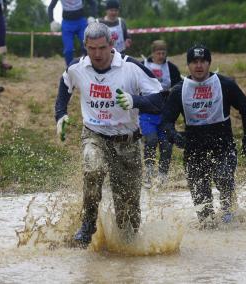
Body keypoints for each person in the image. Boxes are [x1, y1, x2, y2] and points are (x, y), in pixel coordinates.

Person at [54, 22, 164, 247]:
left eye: (102, 48)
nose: (97, 54)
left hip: (128, 142)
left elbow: (161, 100)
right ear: (85, 45)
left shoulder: (131, 67)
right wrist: (60, 115)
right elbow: (64, 86)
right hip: (94, 135)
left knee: (129, 218)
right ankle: (87, 224)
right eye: (91, 48)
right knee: (92, 168)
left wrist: (136, 101)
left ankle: (125, 257)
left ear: (112, 44)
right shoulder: (77, 67)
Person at [161, 44, 246, 225]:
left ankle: (229, 211)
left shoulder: (225, 84)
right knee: (205, 216)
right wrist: (174, 136)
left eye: (202, 61)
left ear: (209, 63)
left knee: (223, 177)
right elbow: (165, 121)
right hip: (194, 151)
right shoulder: (180, 90)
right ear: (188, 65)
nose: (199, 66)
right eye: (194, 62)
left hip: (223, 147)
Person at [141, 40, 181, 188]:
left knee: (167, 146)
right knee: (151, 141)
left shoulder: (171, 68)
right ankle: (149, 174)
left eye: (163, 53)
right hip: (147, 114)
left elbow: (179, 86)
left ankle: (162, 176)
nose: (161, 56)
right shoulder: (143, 65)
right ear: (152, 53)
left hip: (165, 115)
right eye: (158, 53)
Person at [48, 0, 97, 66]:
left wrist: (93, 16)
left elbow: (93, 3)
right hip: (67, 24)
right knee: (68, 50)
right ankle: (70, 70)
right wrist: (51, 21)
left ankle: (90, 66)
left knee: (87, 45)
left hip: (81, 22)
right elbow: (50, 7)